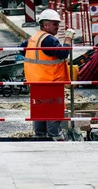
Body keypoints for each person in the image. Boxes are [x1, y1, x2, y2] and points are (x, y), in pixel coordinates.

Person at [20, 9, 75, 140]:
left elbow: (22, 49)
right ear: (45, 25)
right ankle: (55, 137)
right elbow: (63, 53)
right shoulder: (48, 39)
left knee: (40, 109)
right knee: (52, 110)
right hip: (51, 81)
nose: (57, 26)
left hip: (36, 82)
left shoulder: (34, 38)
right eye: (54, 24)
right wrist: (67, 40)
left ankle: (40, 136)